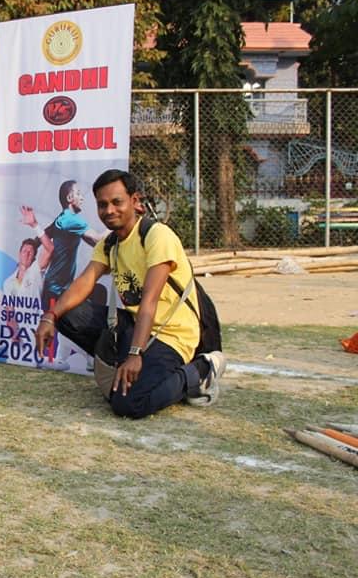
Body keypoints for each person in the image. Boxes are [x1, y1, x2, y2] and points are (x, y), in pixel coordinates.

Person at [36, 169, 226, 419]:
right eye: (102, 205)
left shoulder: (156, 235)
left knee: (128, 404)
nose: (109, 210)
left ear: (135, 201)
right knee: (68, 313)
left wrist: (136, 354)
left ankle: (199, 370)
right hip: (138, 326)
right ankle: (127, 364)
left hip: (171, 335)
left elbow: (149, 301)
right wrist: (50, 316)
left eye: (117, 202)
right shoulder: (110, 243)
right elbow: (85, 281)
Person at [29, 180, 104, 312]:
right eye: (79, 194)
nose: (82, 198)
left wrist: (34, 243)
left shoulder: (62, 218)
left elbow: (46, 232)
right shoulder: (71, 220)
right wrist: (120, 225)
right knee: (52, 328)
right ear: (69, 198)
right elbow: (98, 239)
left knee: (99, 292)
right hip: (56, 290)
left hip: (62, 287)